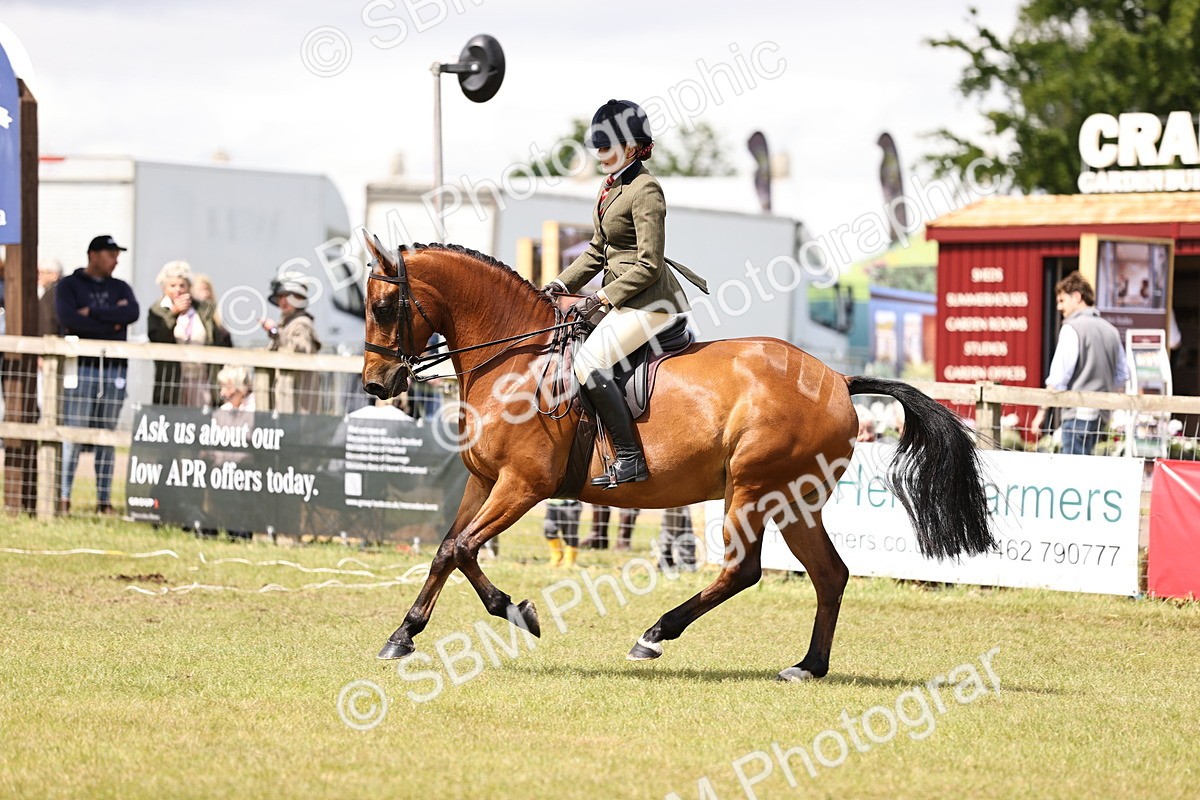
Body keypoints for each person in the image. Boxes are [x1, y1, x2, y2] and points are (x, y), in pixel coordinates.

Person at [543, 99, 709, 488]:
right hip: (625, 300)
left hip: (651, 302)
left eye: (606, 147)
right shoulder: (610, 187)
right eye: (597, 147)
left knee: (588, 361)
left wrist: (602, 297)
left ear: (631, 147)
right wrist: (560, 285)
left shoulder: (646, 189)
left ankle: (631, 458)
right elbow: (597, 251)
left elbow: (649, 264)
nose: (599, 154)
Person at [56, 235, 140, 515]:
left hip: (114, 369)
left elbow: (131, 313)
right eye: (110, 254)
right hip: (80, 369)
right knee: (74, 432)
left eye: (117, 255)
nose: (116, 260)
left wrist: (91, 312)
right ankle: (63, 498)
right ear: (93, 254)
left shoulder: (121, 287)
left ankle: (104, 501)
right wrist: (110, 322)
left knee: (107, 435)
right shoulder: (69, 285)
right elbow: (69, 320)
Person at [1032, 271, 1129, 456]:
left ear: (1076, 297)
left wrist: (1041, 413)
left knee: (1073, 470)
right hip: (1102, 417)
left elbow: (1058, 378)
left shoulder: (1071, 328)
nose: (1059, 307)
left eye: (1062, 300)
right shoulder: (1112, 331)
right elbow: (1122, 375)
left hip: (1077, 415)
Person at [147, 261, 221, 407]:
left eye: (182, 285)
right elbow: (158, 338)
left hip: (202, 380)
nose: (178, 290)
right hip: (172, 382)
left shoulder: (204, 309)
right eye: (173, 286)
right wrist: (173, 313)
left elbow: (216, 339)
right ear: (164, 288)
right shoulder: (157, 311)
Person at [261, 273, 322, 414]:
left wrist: (275, 332)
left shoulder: (302, 324)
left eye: (288, 295)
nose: (283, 300)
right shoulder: (286, 323)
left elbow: (300, 349)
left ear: (299, 298)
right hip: (285, 397)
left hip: (298, 402)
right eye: (281, 296)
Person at [191, 274, 233, 347]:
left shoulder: (216, 314)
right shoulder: (191, 315)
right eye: (201, 289)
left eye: (207, 289)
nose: (206, 293)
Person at [543, 498, 583, 567]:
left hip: (571, 504)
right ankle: (557, 557)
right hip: (553, 504)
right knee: (549, 528)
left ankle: (570, 561)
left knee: (570, 534)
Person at [37, 257, 63, 336]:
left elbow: (49, 322)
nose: (39, 276)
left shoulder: (53, 294)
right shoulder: (46, 292)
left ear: (54, 275)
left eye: (42, 272)